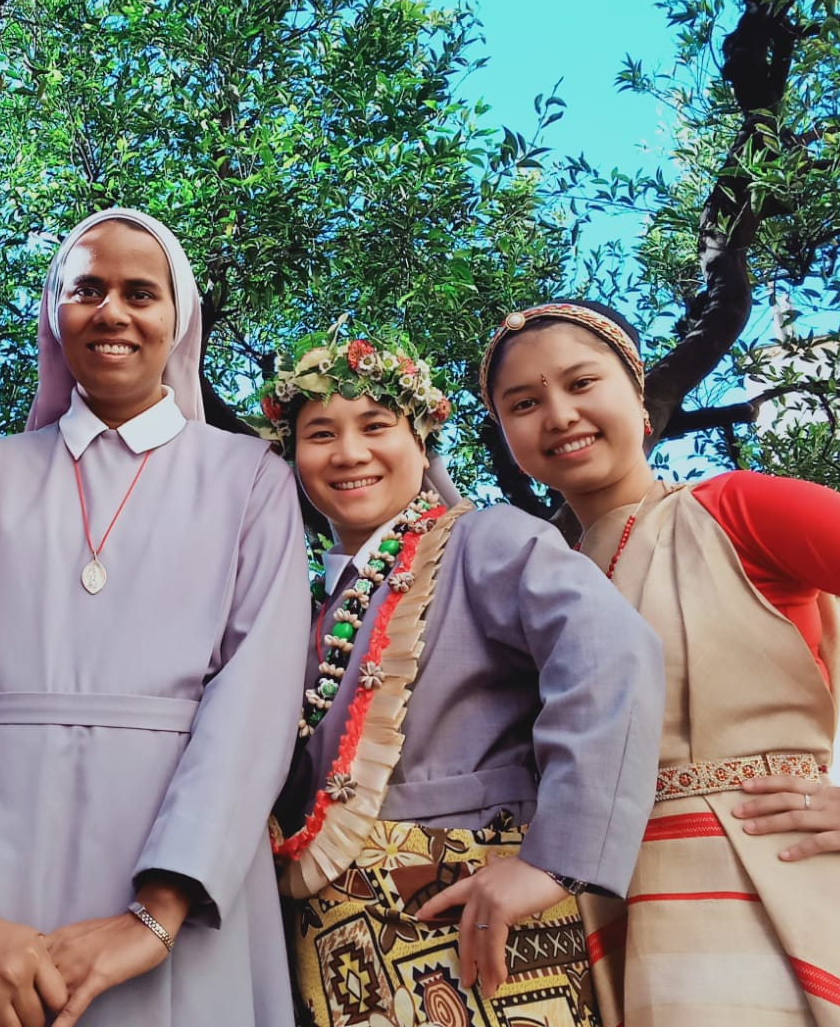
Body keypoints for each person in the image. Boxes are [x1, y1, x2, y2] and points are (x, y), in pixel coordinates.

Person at [480, 298, 840, 1026]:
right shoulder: (541, 586)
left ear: (637, 390)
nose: (559, 414)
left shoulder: (737, 509)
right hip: (620, 919)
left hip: (781, 888)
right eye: (524, 402)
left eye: (581, 383)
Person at [0, 208, 312, 1027]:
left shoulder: (251, 476)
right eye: (86, 289)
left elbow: (260, 696)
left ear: (179, 320)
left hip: (172, 866)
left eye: (142, 292)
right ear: (53, 312)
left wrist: (158, 912)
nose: (113, 311)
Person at [259, 323, 663, 1027]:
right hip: (336, 950)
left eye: (376, 425)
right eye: (320, 434)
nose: (349, 452)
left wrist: (552, 863)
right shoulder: (308, 607)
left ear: (421, 441)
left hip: (472, 924)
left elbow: (610, 650)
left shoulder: (488, 537)